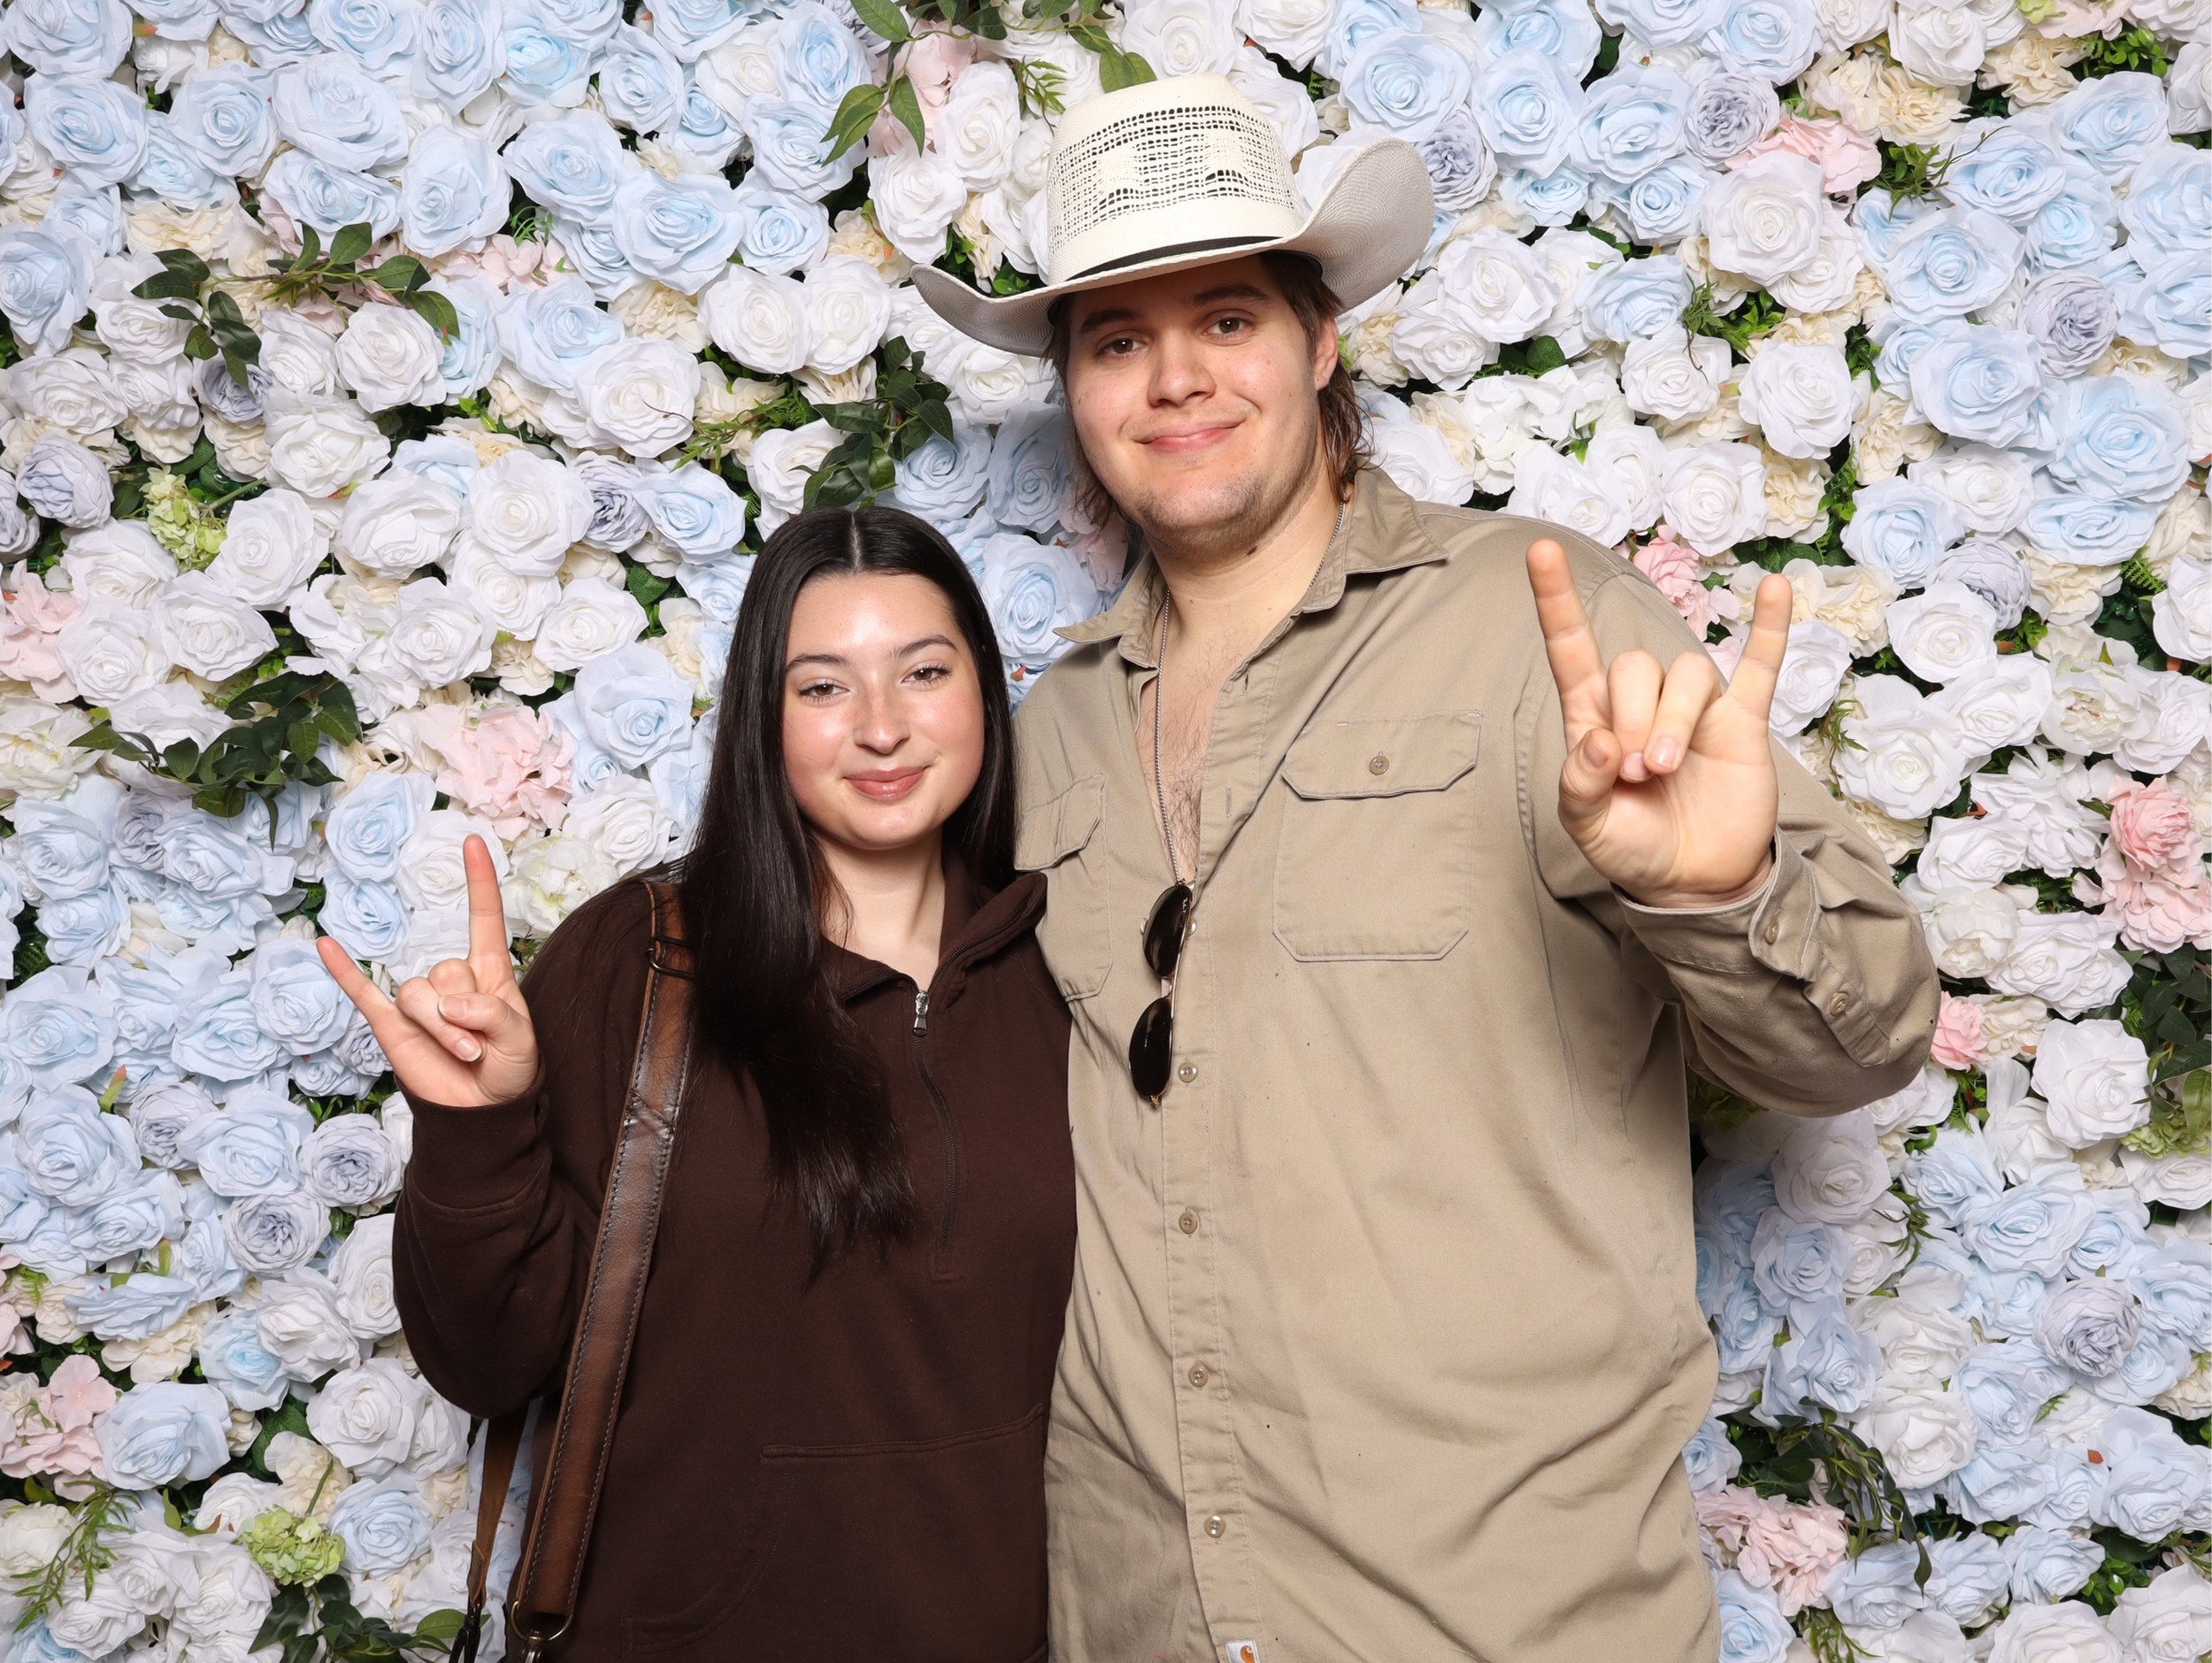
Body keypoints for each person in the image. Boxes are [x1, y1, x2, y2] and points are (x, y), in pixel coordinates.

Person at [912, 73, 1942, 1662]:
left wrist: (1708, 892)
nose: (1175, 378)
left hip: (1495, 1612)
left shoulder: (1535, 620)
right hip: (1142, 1609)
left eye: (1229, 319)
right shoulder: (1044, 731)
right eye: (1117, 338)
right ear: (1073, 388)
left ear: (1320, 345)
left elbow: (1860, 1042)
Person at [313, 506, 1074, 1661]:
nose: (881, 727)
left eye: (923, 672)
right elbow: (489, 1362)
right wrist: (477, 1128)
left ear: (988, 688)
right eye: (822, 688)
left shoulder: (1069, 971)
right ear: (761, 723)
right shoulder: (644, 962)